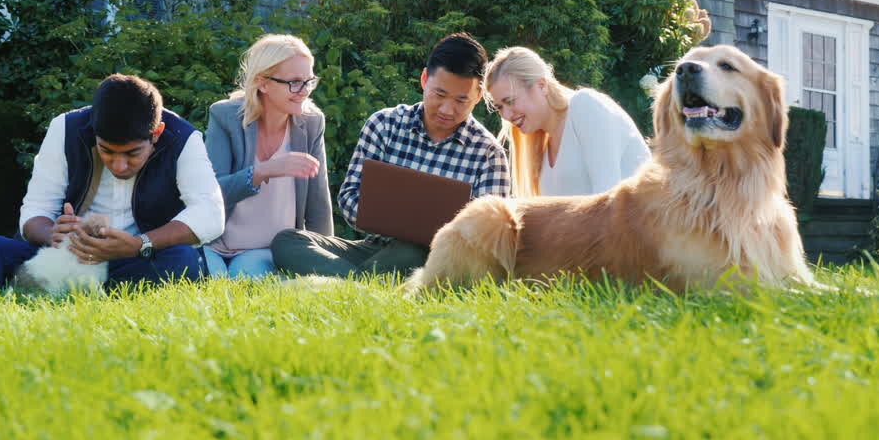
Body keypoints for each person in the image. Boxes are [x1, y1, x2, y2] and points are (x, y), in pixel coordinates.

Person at [0, 73, 225, 295]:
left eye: (132, 154)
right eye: (107, 151)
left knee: (182, 260)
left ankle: (49, 289)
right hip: (64, 257)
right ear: (94, 134)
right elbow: (35, 209)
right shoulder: (67, 128)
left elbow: (210, 214)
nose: (119, 165)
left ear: (157, 133)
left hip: (136, 259)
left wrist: (139, 244)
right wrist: (53, 234)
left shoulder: (184, 139)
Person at [271, 32, 510, 277]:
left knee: (411, 251)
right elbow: (350, 197)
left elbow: (488, 241)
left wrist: (430, 237)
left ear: (479, 96)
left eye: (461, 100)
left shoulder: (489, 154)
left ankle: (346, 282)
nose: (448, 109)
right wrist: (389, 220)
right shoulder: (384, 124)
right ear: (425, 79)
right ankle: (361, 283)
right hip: (372, 249)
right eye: (439, 95)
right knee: (288, 241)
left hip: (433, 259)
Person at [203, 34, 333, 278]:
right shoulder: (225, 116)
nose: (304, 91)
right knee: (210, 283)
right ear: (262, 83)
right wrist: (264, 170)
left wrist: (323, 264)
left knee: (247, 282)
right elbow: (211, 193)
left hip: (266, 249)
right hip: (215, 244)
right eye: (294, 82)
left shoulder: (312, 122)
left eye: (309, 81)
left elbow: (318, 206)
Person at [484, 47, 649, 197]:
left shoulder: (585, 105)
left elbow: (608, 202)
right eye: (499, 107)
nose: (505, 115)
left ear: (541, 85)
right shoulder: (539, 143)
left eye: (510, 101)